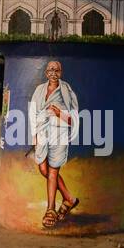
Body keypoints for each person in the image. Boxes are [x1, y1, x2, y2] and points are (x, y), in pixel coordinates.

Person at [28, 60, 79, 228]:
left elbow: (74, 119)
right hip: (42, 133)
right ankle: (69, 198)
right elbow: (33, 114)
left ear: (61, 72)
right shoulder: (39, 90)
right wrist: (34, 137)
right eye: (50, 69)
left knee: (52, 171)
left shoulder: (67, 91)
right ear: (45, 72)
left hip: (59, 133)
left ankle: (50, 210)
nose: (53, 72)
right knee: (43, 168)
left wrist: (59, 113)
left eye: (56, 70)